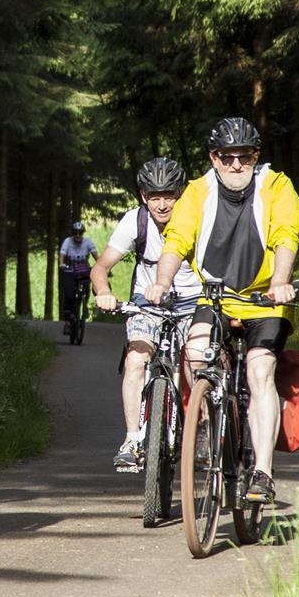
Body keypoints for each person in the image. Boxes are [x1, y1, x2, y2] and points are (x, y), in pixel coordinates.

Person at [148, 117, 299, 505]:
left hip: (265, 299)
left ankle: (263, 472)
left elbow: (287, 233)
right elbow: (177, 239)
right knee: (195, 351)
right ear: (214, 159)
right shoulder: (198, 191)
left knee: (259, 369)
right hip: (215, 297)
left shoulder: (276, 186)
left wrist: (280, 282)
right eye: (228, 157)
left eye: (245, 157)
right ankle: (205, 421)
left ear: (256, 157)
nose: (237, 165)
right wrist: (162, 283)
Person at [91, 156, 200, 470]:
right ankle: (132, 440)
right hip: (146, 302)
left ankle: (202, 427)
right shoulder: (135, 221)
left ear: (180, 194)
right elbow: (101, 268)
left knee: (197, 358)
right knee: (136, 359)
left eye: (169, 196)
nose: (162, 204)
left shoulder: (197, 220)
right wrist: (104, 293)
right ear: (143, 196)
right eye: (155, 197)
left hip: (193, 300)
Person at [57, 220, 98, 323]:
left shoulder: (88, 242)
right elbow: (62, 253)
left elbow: (95, 254)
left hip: (83, 268)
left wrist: (100, 266)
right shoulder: (67, 241)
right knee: (69, 295)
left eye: (80, 233)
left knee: (86, 288)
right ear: (72, 233)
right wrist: (62, 264)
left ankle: (84, 306)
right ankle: (68, 319)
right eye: (75, 233)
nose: (78, 235)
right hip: (70, 268)